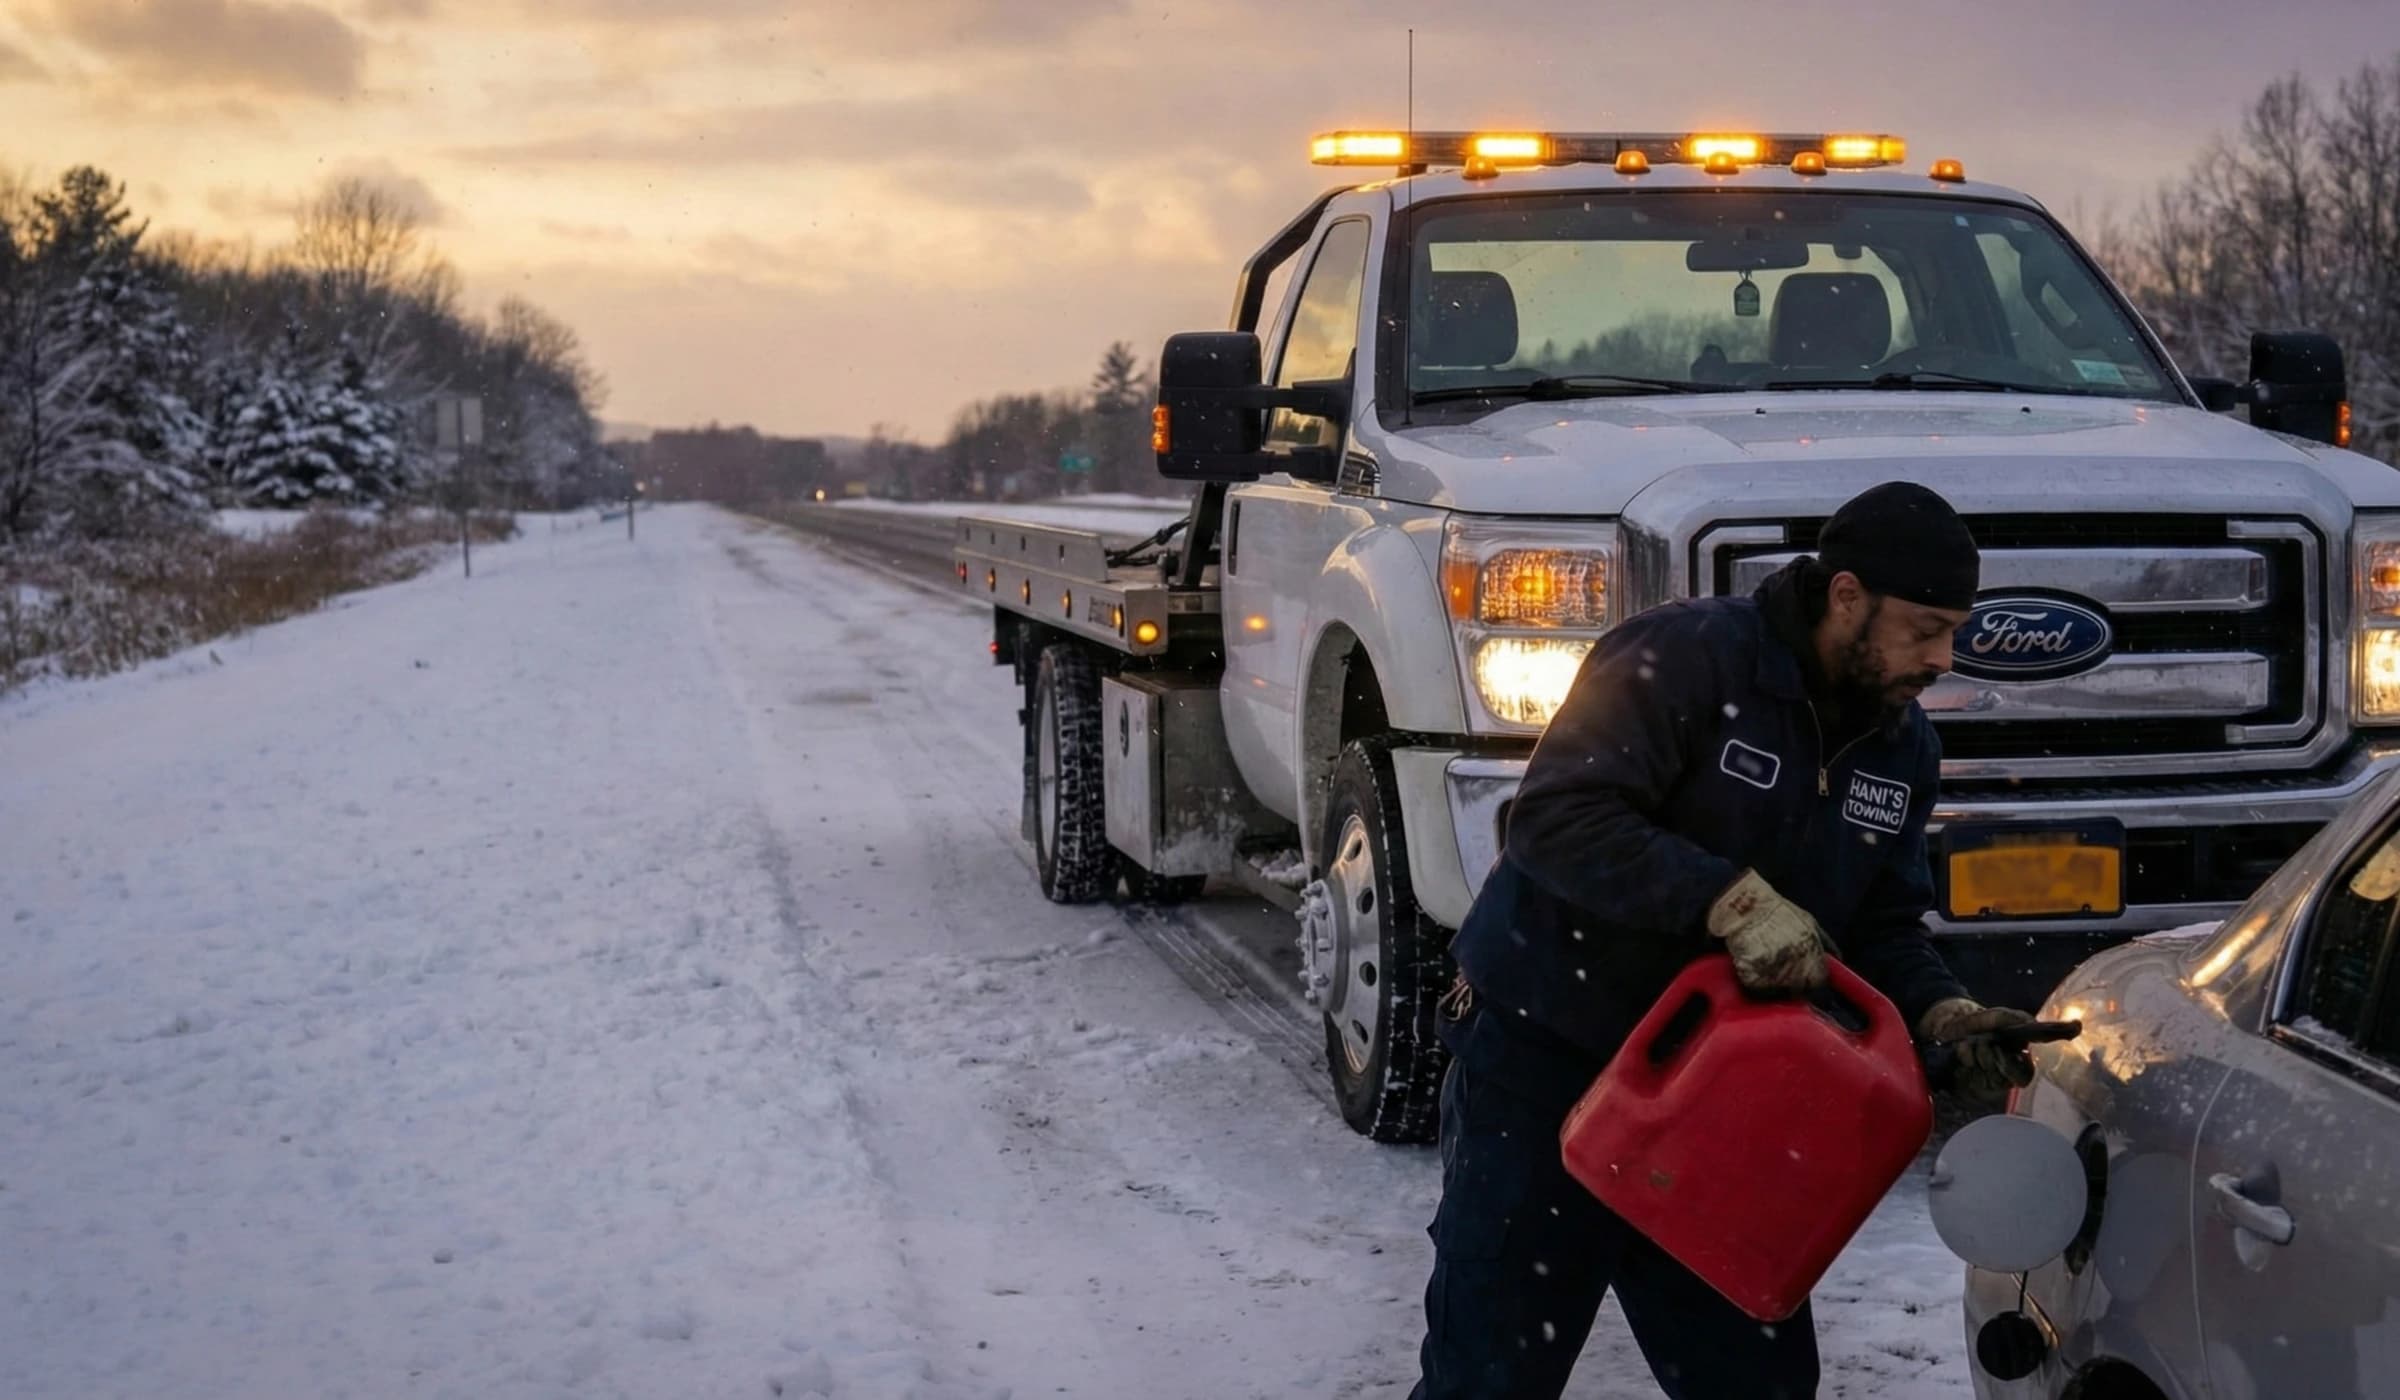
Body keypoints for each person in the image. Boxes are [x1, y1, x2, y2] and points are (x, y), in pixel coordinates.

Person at [1413, 481, 2037, 1400]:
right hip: (1550, 1055)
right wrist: (1728, 902)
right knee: (1492, 1375)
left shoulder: (1901, 751)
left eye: (1955, 631)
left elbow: (1881, 922)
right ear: (1847, 596)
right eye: (1926, 628)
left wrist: (1939, 1011)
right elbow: (1558, 818)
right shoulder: (1686, 658)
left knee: (1756, 1385)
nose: (1944, 658)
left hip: (1721, 1108)